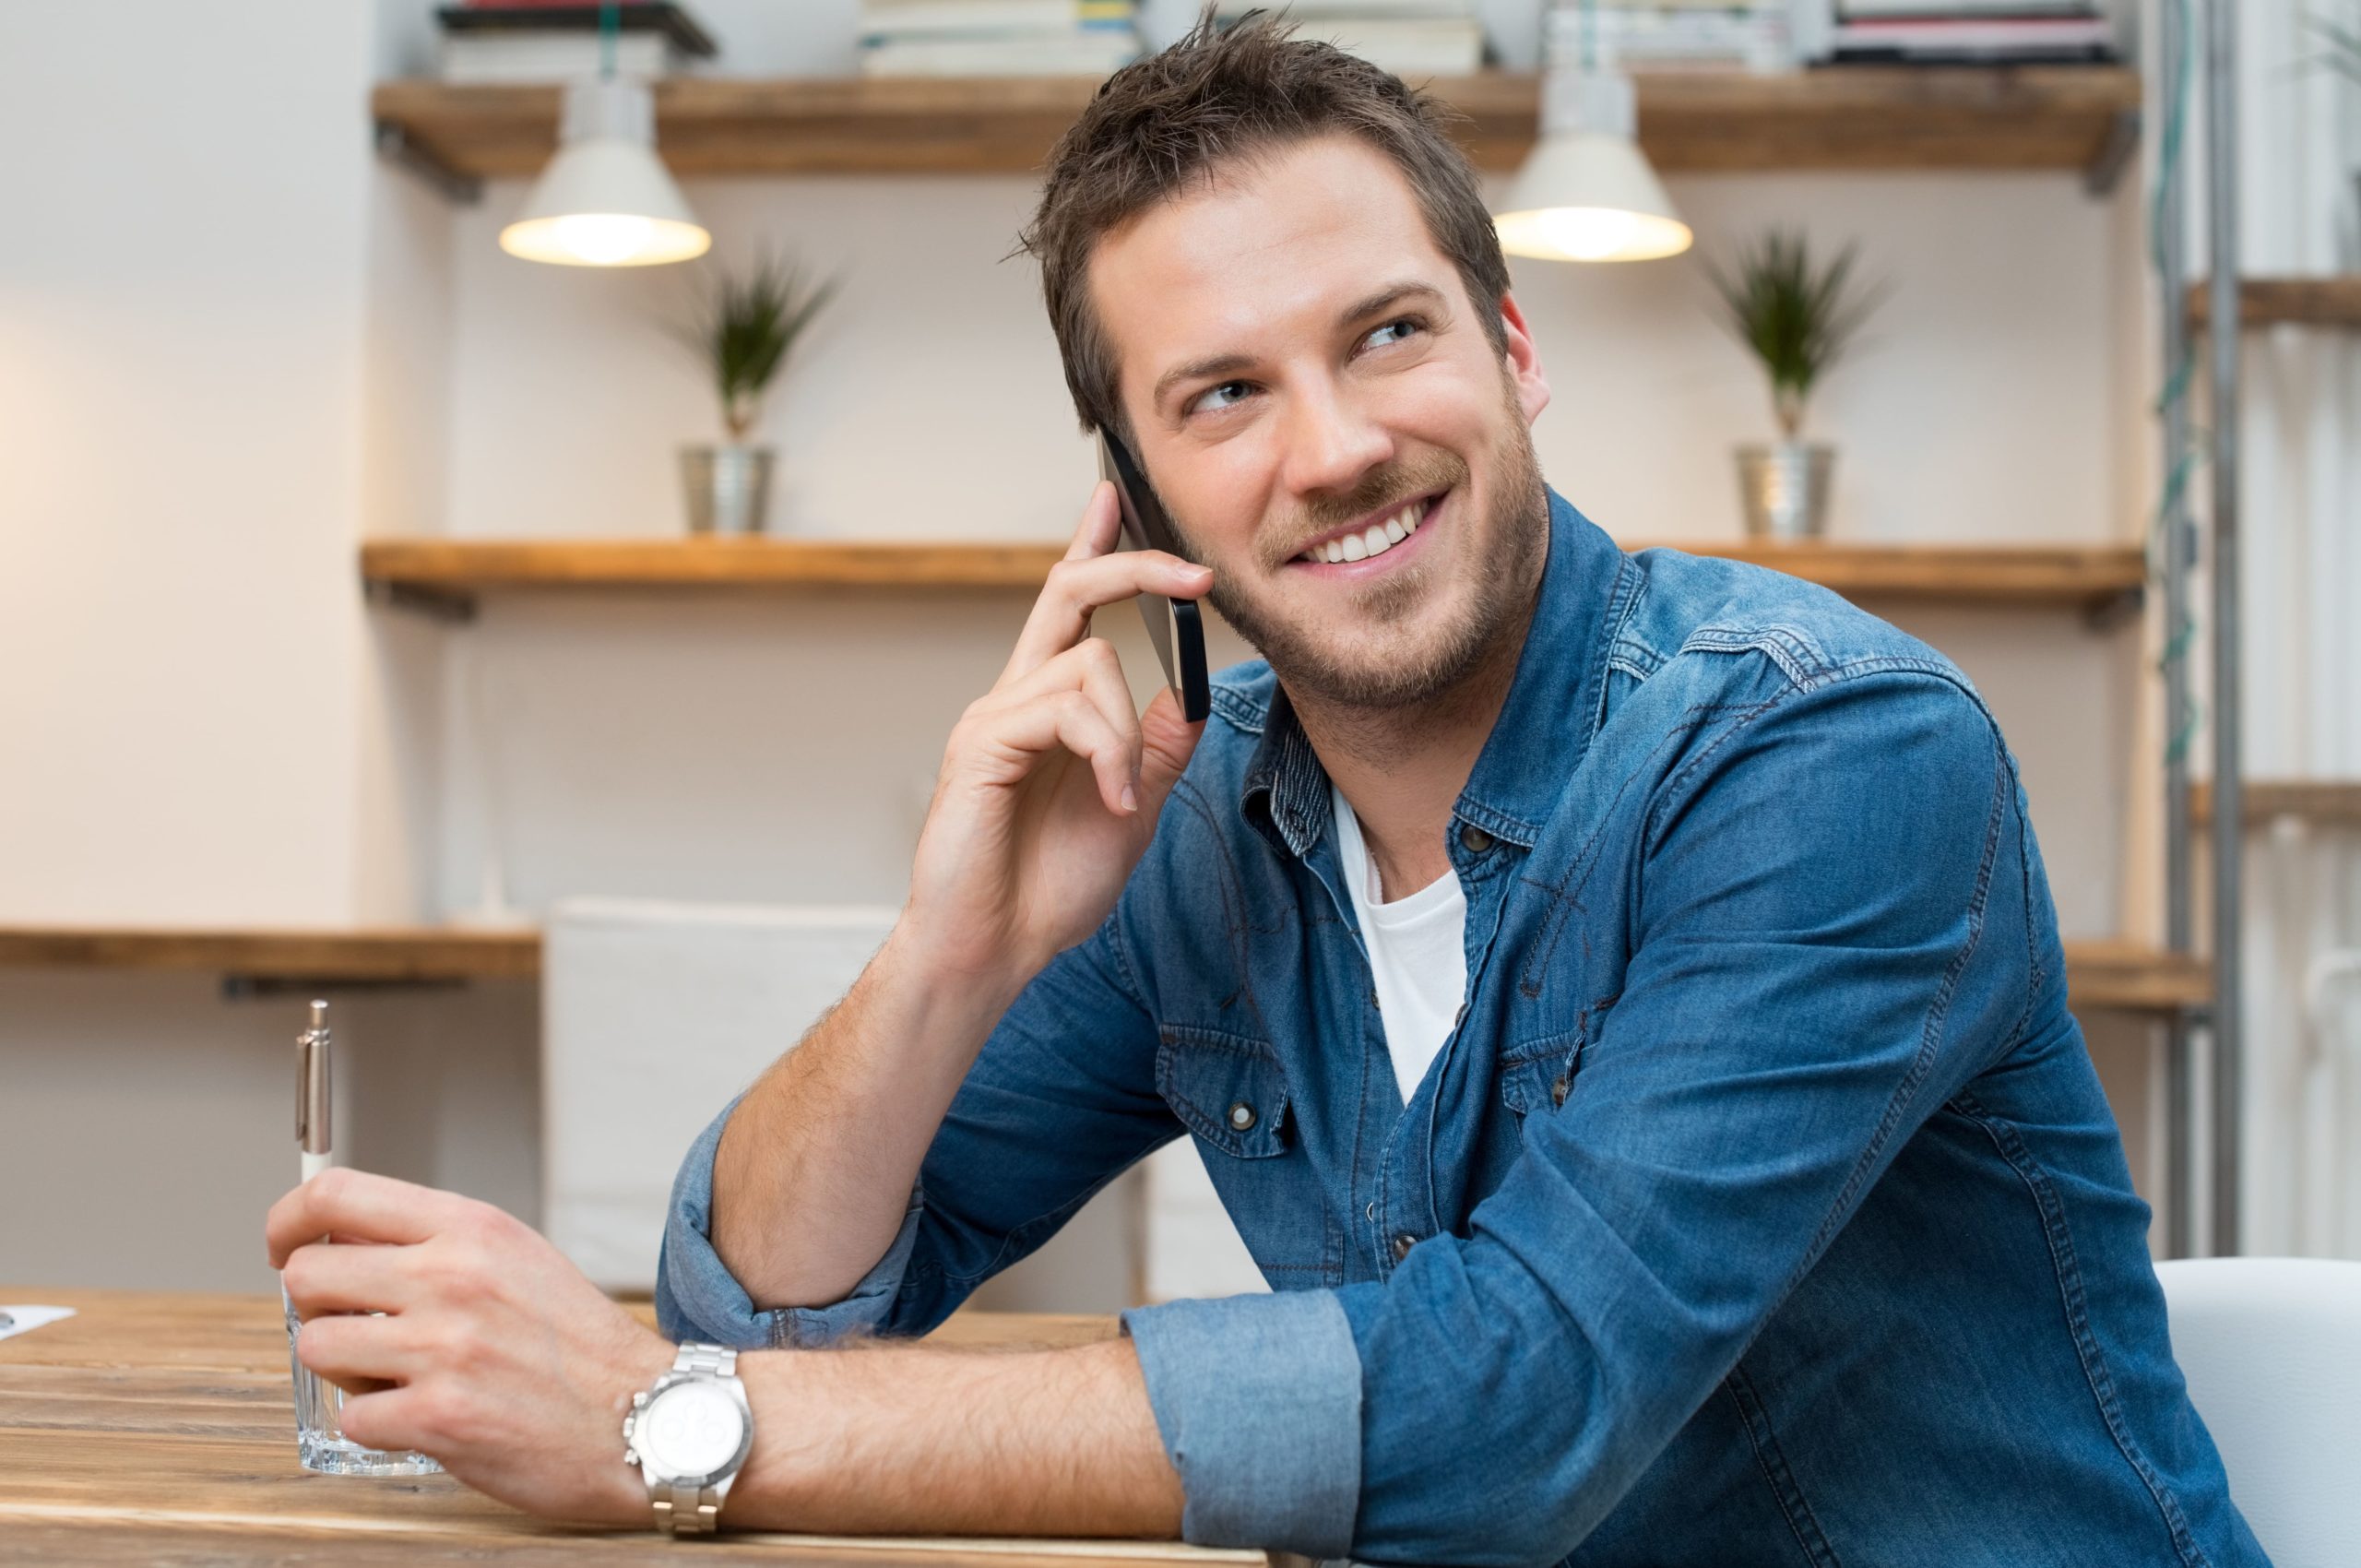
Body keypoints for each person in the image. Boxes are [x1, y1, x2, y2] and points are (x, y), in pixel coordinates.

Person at [267, 17, 2267, 1564]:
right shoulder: (1204, 831)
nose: (1332, 449)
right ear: (1135, 501)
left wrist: (655, 1433)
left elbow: (1518, 1402)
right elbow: (767, 1303)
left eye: (1384, 337)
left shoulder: (1818, 755)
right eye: (1222, 394)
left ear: (1507, 350)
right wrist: (949, 953)